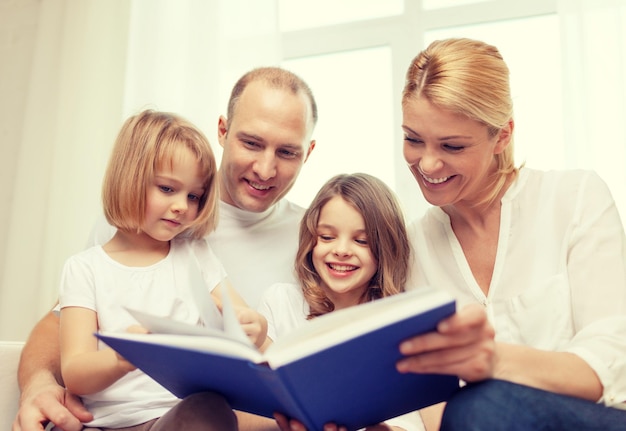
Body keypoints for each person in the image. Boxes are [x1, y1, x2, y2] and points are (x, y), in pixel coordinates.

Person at [14, 67, 317, 431]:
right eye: (252, 143)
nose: (265, 169)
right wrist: (38, 384)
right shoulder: (137, 227)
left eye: (287, 152)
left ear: (308, 152)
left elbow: (265, 340)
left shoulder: (320, 240)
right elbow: (62, 329)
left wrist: (259, 329)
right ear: (223, 130)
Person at [395, 37, 626, 430]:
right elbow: (432, 404)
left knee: (478, 404)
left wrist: (496, 362)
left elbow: (609, 362)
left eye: (452, 145)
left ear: (502, 136)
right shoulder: (411, 249)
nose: (427, 163)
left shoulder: (575, 198)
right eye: (413, 139)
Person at [57, 109, 268, 430]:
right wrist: (120, 358)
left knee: (210, 407)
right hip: (105, 424)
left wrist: (257, 327)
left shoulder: (195, 254)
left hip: (176, 419)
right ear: (130, 178)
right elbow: (74, 372)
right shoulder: (85, 269)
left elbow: (242, 317)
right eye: (167, 189)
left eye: (194, 195)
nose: (183, 205)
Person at [258, 173, 424, 431]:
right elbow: (248, 410)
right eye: (327, 237)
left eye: (361, 241)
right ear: (311, 240)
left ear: (385, 248)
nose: (342, 250)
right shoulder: (281, 301)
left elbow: (438, 421)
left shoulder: (409, 323)